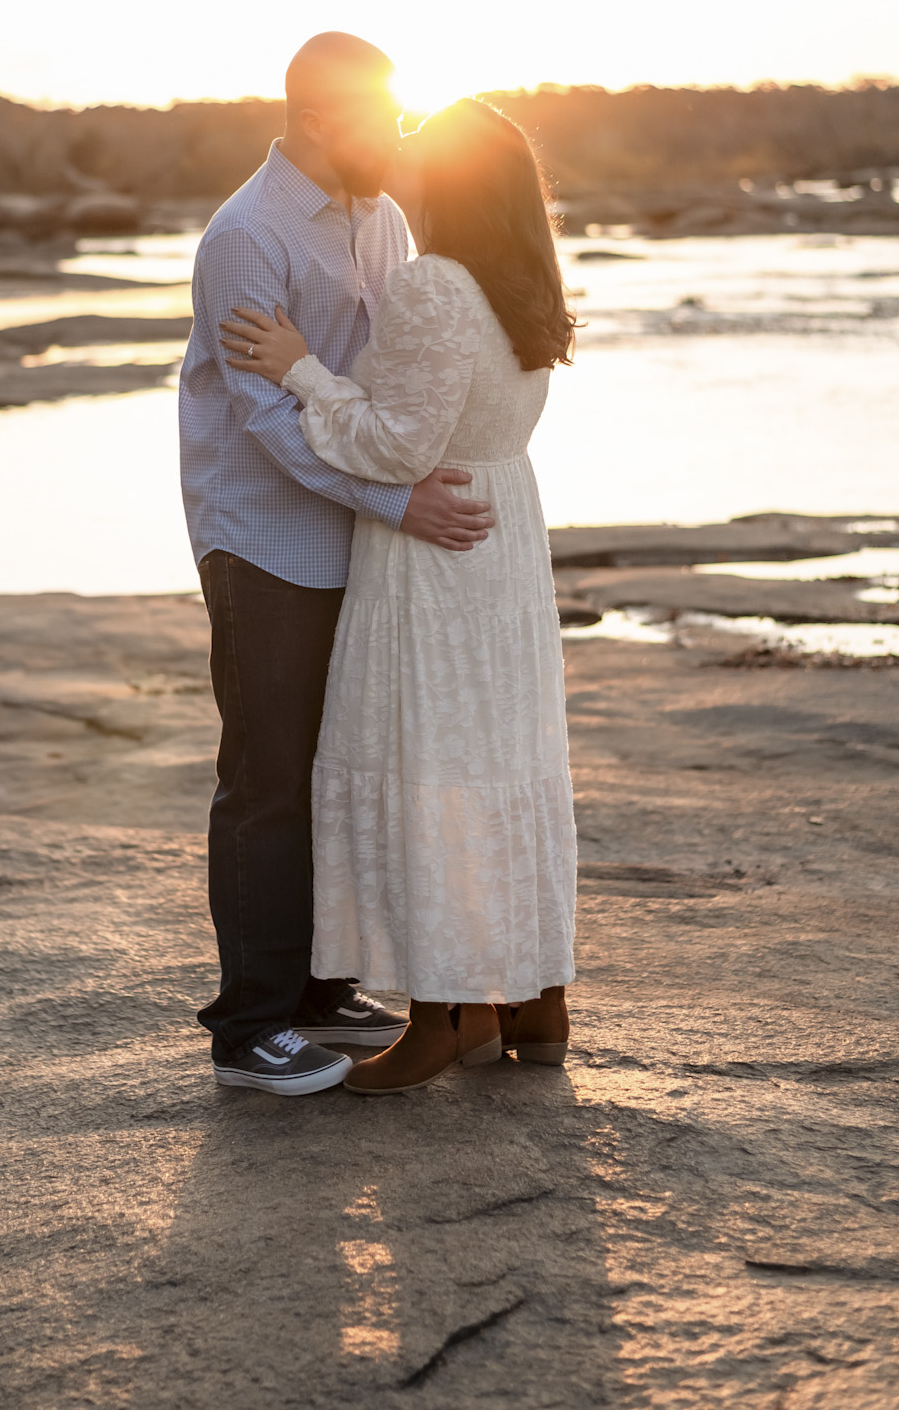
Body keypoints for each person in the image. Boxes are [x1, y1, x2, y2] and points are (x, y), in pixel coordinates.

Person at [221, 97, 578, 1094]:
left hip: (433, 545)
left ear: (454, 179)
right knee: (502, 758)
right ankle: (533, 999)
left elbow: (393, 445)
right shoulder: (521, 280)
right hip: (502, 533)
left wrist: (301, 369)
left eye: (419, 141)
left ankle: (446, 1013)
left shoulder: (430, 283)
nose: (398, 146)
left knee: (431, 762)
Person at [178, 34, 497, 1095]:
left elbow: (379, 380)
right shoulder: (246, 236)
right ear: (316, 117)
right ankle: (248, 1029)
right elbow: (268, 419)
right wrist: (397, 500)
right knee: (267, 778)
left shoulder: (383, 216)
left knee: (339, 766)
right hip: (266, 537)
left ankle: (320, 989)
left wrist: (408, 478)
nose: (396, 132)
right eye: (377, 114)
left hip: (359, 531)